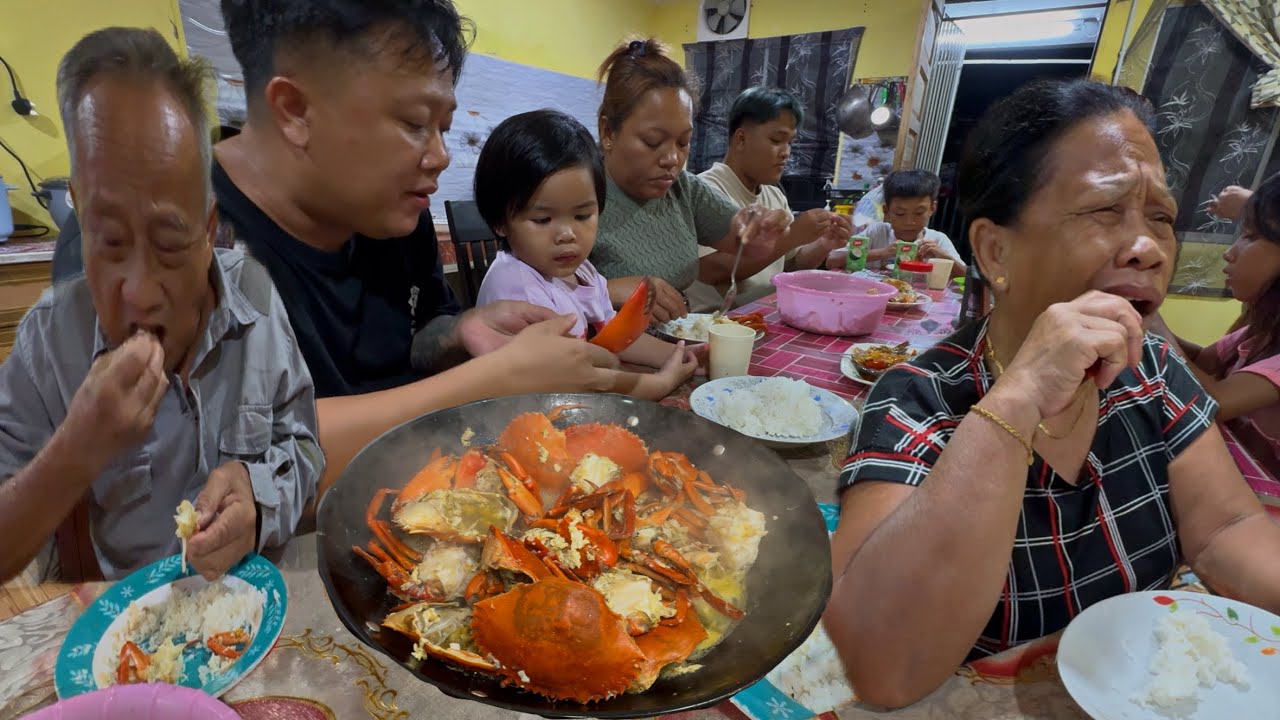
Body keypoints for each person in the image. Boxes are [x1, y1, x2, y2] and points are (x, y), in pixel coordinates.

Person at [823, 79, 1280, 708]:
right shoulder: (918, 399)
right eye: (1104, 210)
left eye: (1162, 219)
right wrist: (1018, 398)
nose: (1149, 249)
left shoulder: (1151, 369)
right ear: (994, 249)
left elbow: (1225, 526)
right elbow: (882, 664)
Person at [214, 0, 623, 498]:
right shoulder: (189, 238)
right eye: (413, 123)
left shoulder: (395, 211)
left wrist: (458, 331)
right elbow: (253, 462)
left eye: (444, 128)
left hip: (418, 488)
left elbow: (422, 332)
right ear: (296, 111)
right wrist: (492, 380)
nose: (441, 156)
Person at [0, 27, 322, 583]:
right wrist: (77, 449)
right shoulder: (49, 343)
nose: (141, 292)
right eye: (111, 241)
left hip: (255, 609)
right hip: (131, 638)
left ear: (209, 231)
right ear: (77, 209)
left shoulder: (257, 298)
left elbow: (305, 449)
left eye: (170, 244)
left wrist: (259, 499)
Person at [473, 110, 698, 400]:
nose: (567, 234)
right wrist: (659, 384)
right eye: (542, 220)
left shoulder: (581, 271)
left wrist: (680, 354)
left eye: (582, 215)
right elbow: (580, 382)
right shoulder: (515, 286)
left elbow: (615, 339)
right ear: (499, 222)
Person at [590, 38, 792, 322]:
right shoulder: (579, 193)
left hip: (675, 343)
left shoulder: (682, 188)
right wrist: (605, 290)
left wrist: (759, 229)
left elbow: (744, 243)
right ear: (608, 131)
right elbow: (525, 294)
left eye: (684, 142)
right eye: (653, 141)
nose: (672, 158)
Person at [1148, 173, 1280, 469]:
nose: (1229, 253)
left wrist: (1153, 323)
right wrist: (1143, 318)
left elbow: (1212, 399)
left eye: (1249, 236)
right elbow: (1202, 363)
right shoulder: (1259, 335)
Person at [690, 86, 851, 309]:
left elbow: (792, 264)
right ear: (741, 139)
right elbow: (710, 270)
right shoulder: (705, 189)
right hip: (713, 326)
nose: (786, 152)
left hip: (763, 319)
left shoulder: (774, 195)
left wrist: (824, 243)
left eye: (790, 142)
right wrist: (793, 236)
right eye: (777, 140)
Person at [858, 169, 965, 277]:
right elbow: (840, 258)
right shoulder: (876, 232)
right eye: (900, 214)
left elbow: (968, 277)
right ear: (886, 211)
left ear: (932, 208)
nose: (909, 222)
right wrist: (882, 253)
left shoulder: (938, 240)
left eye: (919, 213)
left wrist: (945, 258)